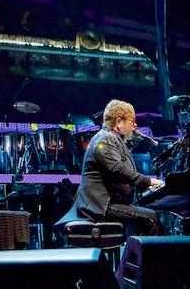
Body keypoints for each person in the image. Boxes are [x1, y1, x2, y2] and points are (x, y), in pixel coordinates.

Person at [69, 99, 165, 235]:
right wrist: (148, 181)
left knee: (145, 215)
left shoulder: (112, 139)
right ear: (119, 122)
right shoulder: (104, 139)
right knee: (151, 218)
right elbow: (118, 169)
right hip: (100, 205)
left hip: (104, 203)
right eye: (132, 121)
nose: (135, 125)